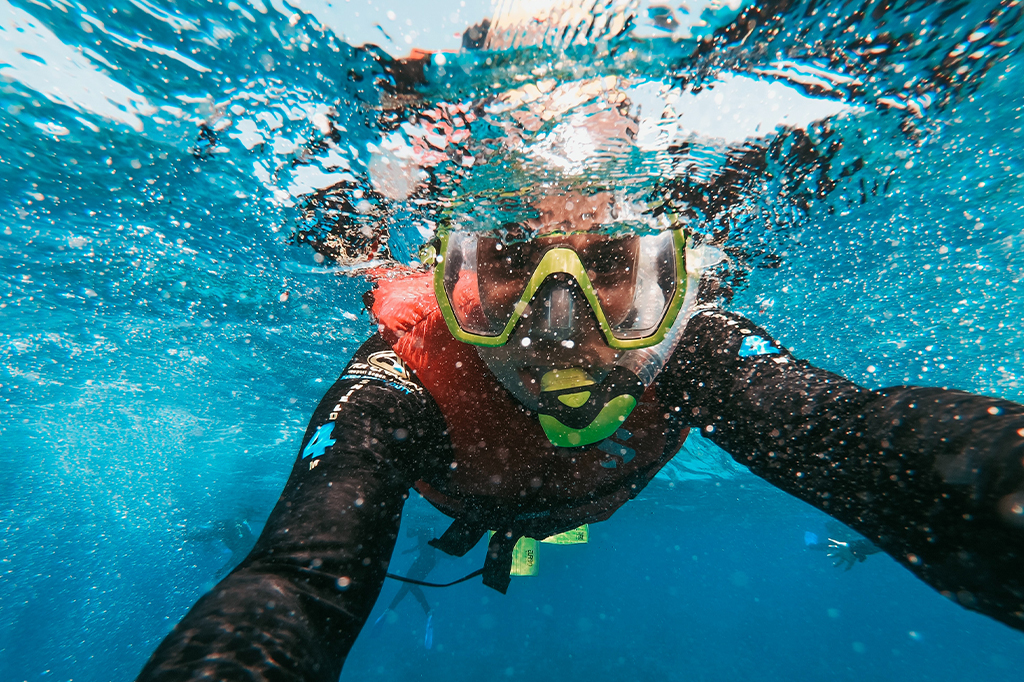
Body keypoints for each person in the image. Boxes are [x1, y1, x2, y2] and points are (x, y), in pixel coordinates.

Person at [135, 184, 1024, 682]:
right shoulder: (405, 373)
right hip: (484, 498)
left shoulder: (694, 349)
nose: (554, 322)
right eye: (513, 263)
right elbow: (293, 583)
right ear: (462, 280)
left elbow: (860, 437)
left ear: (663, 280)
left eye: (606, 266)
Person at [371, 527, 438, 649]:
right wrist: (410, 550)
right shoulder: (424, 530)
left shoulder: (425, 528)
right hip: (427, 560)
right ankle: (427, 612)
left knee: (409, 585)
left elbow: (426, 542)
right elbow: (425, 545)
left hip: (426, 560)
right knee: (408, 585)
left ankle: (392, 609)